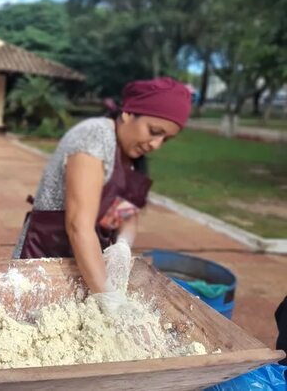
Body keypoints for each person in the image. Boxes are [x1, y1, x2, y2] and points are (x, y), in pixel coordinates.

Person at [13, 77, 192, 314]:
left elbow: (124, 215)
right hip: (45, 258)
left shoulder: (131, 159)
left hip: (89, 266)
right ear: (128, 113)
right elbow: (79, 227)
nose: (156, 144)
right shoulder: (95, 136)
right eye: (154, 131)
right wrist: (110, 299)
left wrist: (123, 245)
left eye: (165, 139)